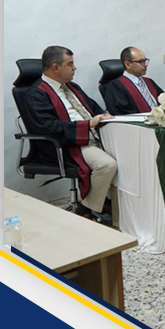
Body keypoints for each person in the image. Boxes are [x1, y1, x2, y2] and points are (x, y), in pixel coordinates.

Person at [20, 46, 116, 221]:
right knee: (106, 165)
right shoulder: (35, 94)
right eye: (70, 64)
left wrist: (104, 116)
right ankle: (84, 209)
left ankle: (108, 203)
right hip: (65, 145)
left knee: (129, 156)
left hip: (90, 136)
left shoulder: (72, 87)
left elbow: (93, 109)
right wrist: (87, 125)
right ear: (56, 67)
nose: (75, 67)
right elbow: (49, 128)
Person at [105, 46, 164, 115]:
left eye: (145, 61)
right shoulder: (116, 86)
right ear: (128, 64)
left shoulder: (149, 82)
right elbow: (120, 113)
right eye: (141, 62)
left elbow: (163, 100)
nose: (145, 65)